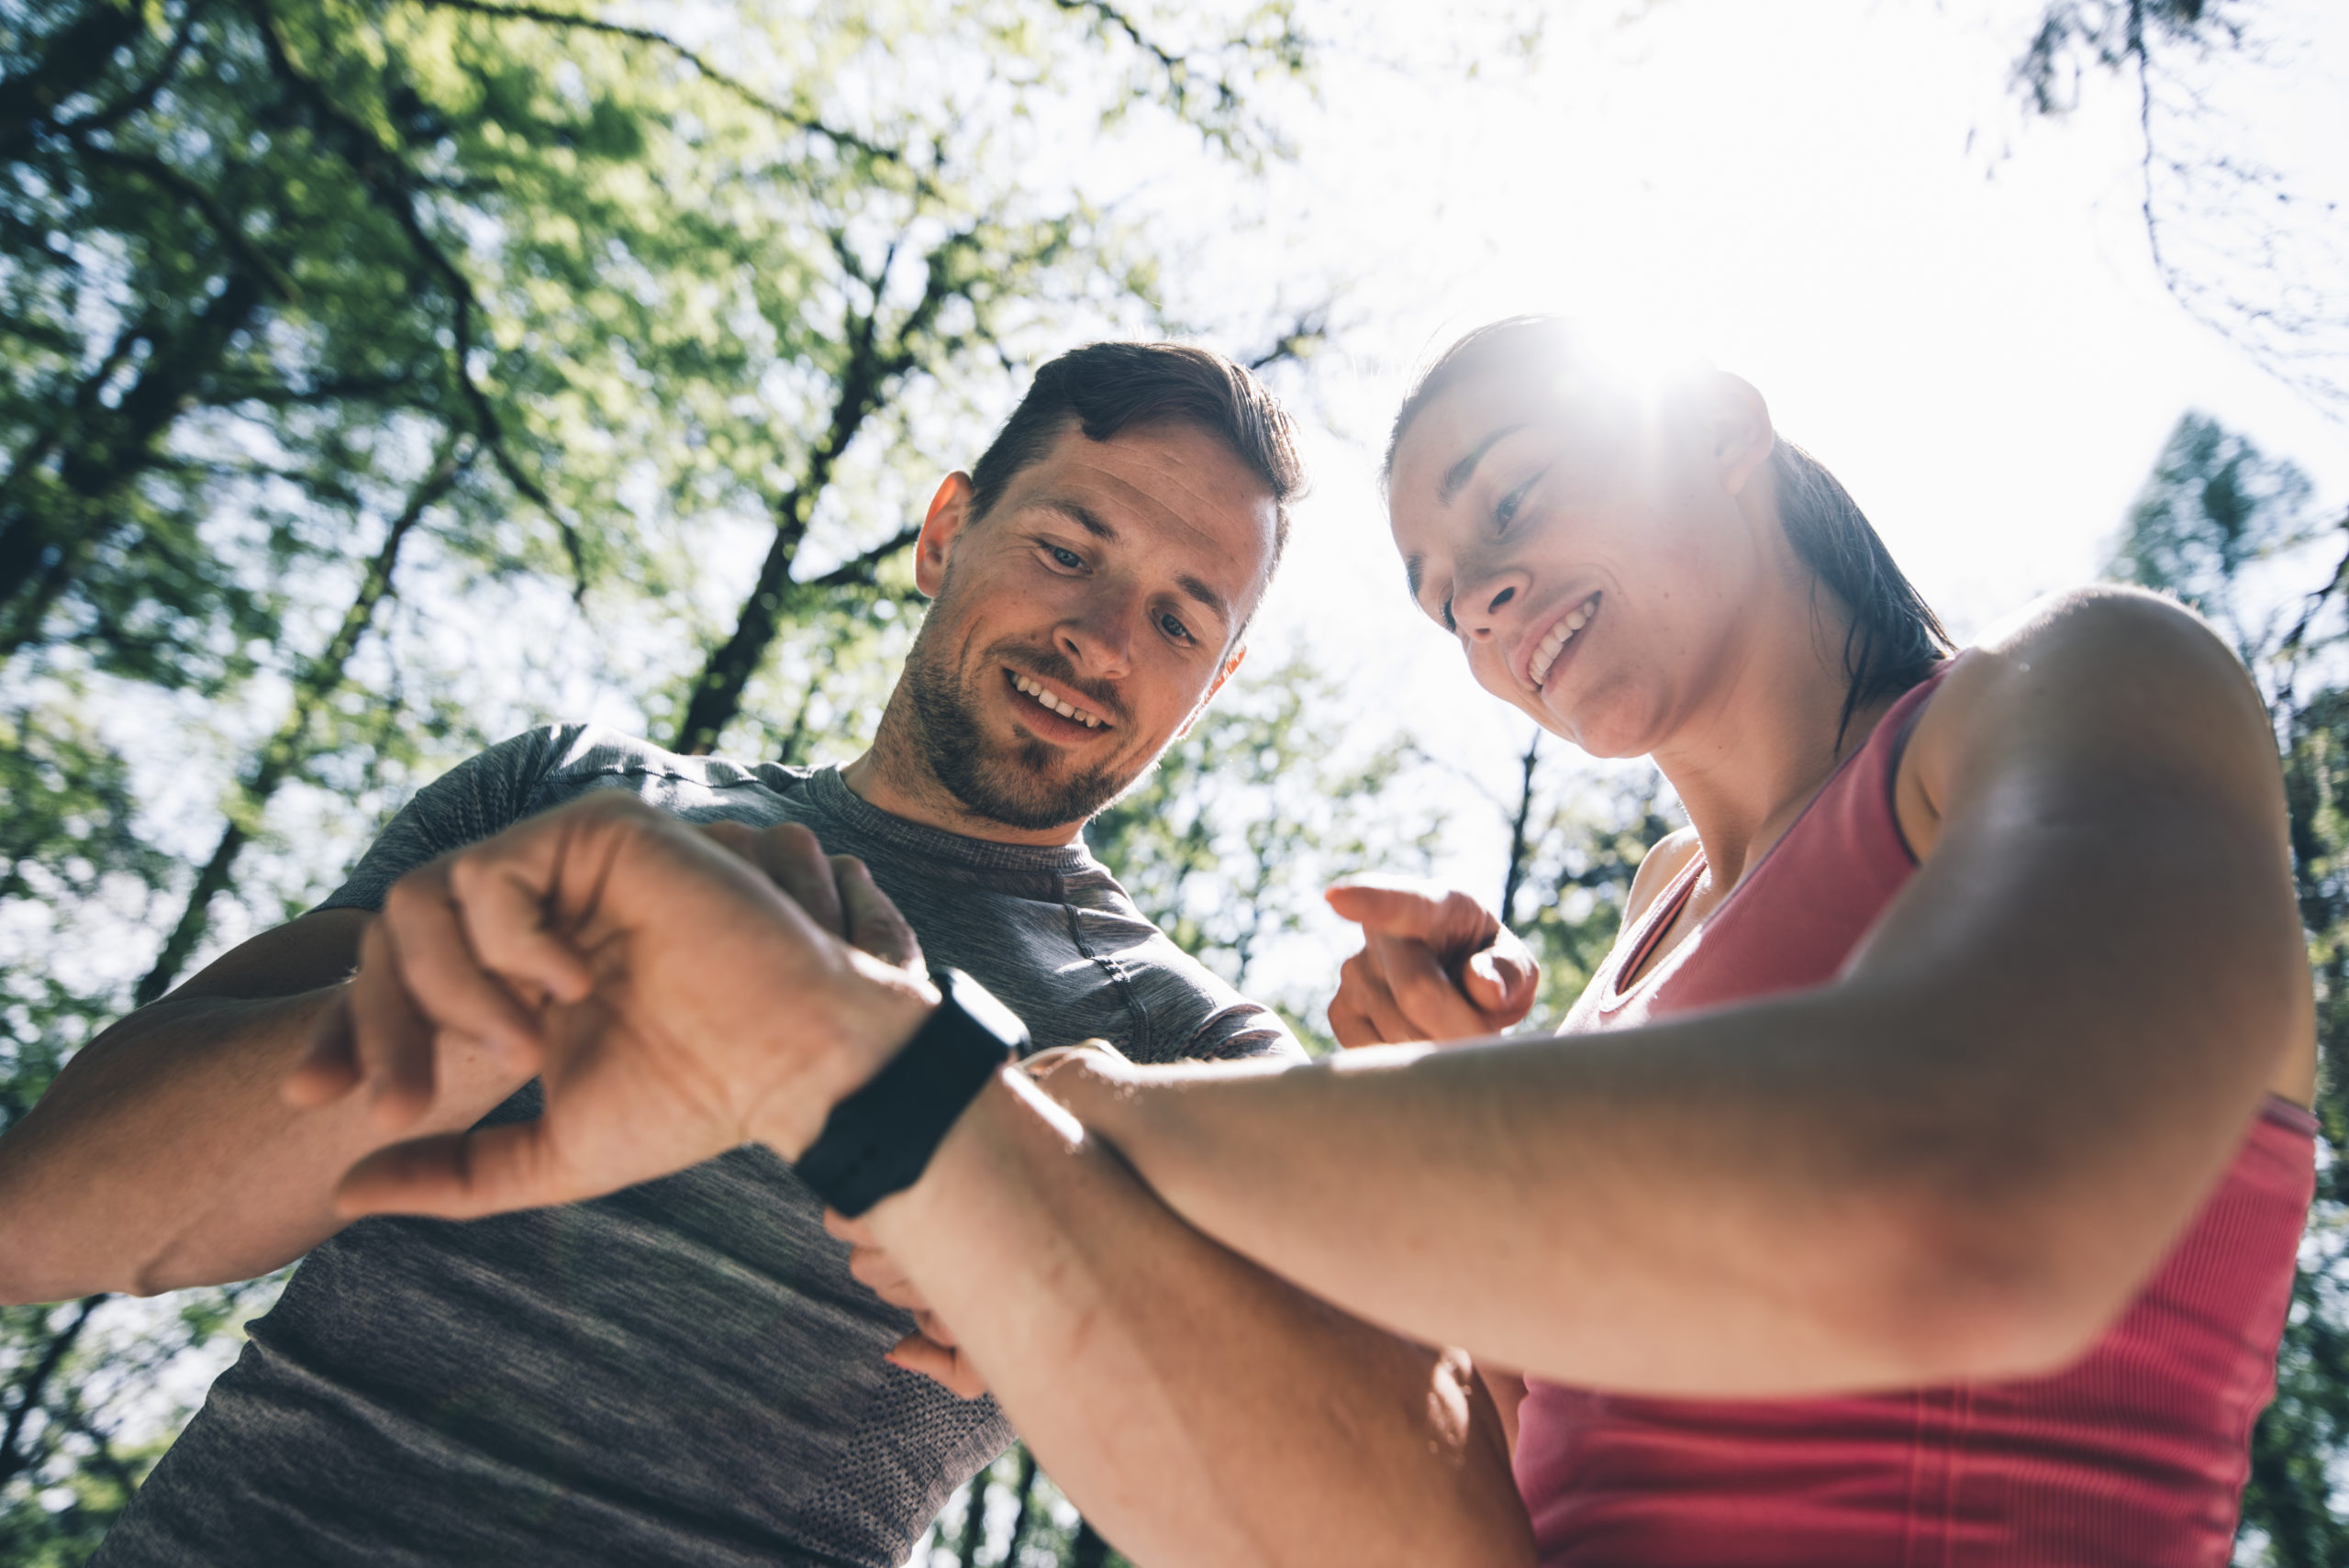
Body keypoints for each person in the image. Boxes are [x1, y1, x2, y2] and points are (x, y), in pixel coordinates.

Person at [292, 318, 2311, 1568]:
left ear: (1717, 427)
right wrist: (1449, 1117)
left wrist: (1082, 1116)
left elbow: (1969, 1200)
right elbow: (1479, 1494)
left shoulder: (2079, 690)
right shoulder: (1627, 955)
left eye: (1514, 501)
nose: (1487, 594)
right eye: (1442, 593)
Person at [0, 341, 1523, 1568]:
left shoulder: (1196, 1054)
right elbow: (47, 1220)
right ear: (944, 533)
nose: (1104, 638)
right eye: (1068, 548)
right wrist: (550, 976)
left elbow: (1420, 1513)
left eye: (1182, 620)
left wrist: (1432, 1154)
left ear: (1213, 685)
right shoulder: (571, 794)